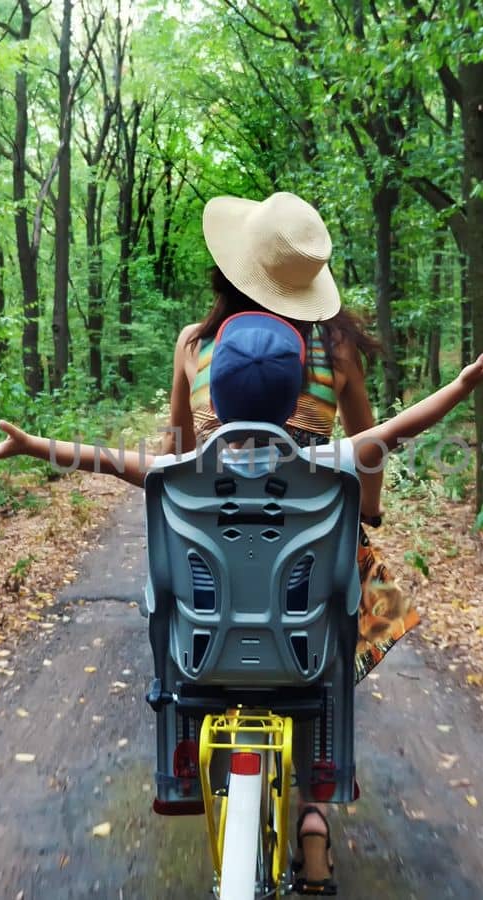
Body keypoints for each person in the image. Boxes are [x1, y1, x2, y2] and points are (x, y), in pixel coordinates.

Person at [0, 310, 483, 892]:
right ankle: (316, 807)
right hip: (302, 652)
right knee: (354, 601)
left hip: (204, 651)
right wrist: (460, 387)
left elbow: (101, 458)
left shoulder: (175, 470)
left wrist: (32, 446)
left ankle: (194, 762)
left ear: (214, 401)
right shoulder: (326, 466)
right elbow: (398, 431)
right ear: (293, 408)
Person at [169, 192, 414, 689]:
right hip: (306, 550)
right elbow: (370, 447)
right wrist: (369, 511)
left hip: (209, 549)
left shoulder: (193, 344)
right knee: (374, 598)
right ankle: (334, 701)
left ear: (230, 270)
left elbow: (174, 457)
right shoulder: (338, 351)